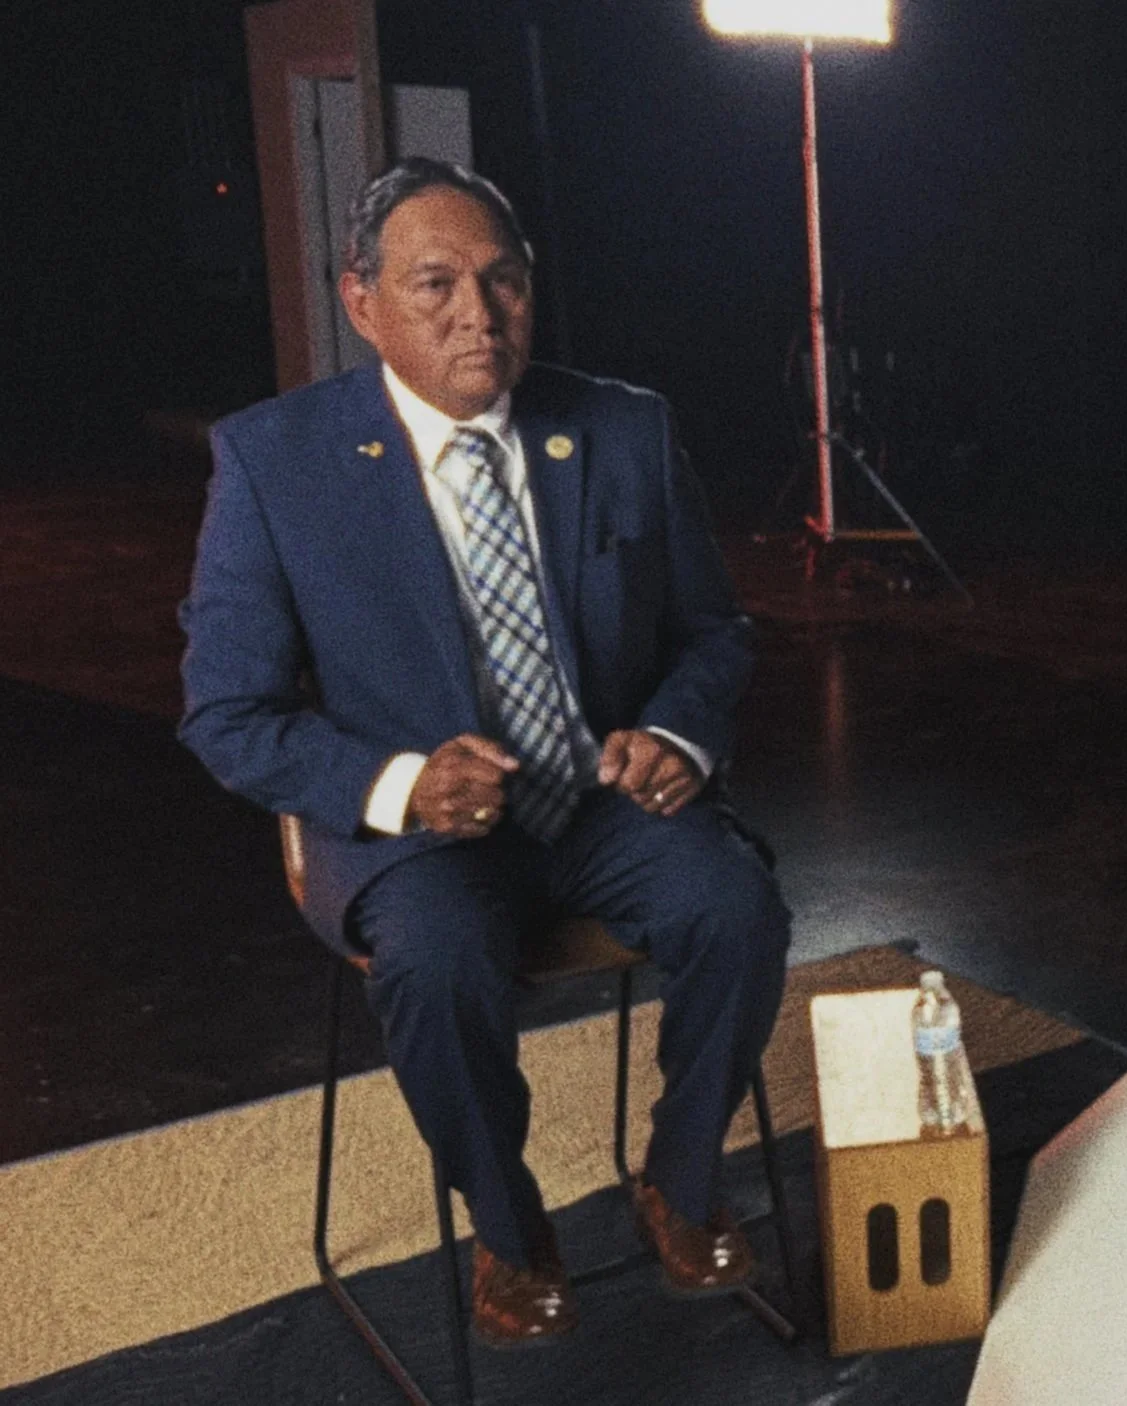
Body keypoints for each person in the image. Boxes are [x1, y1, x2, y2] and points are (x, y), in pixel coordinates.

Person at [179, 158, 791, 1346]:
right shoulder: (274, 462)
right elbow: (226, 711)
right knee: (438, 963)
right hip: (421, 838)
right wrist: (400, 783)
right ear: (362, 303)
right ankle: (510, 1233)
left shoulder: (622, 425)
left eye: (502, 280)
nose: (479, 314)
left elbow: (713, 630)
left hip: (602, 803)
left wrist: (674, 731)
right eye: (437, 285)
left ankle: (676, 1176)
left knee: (738, 906)